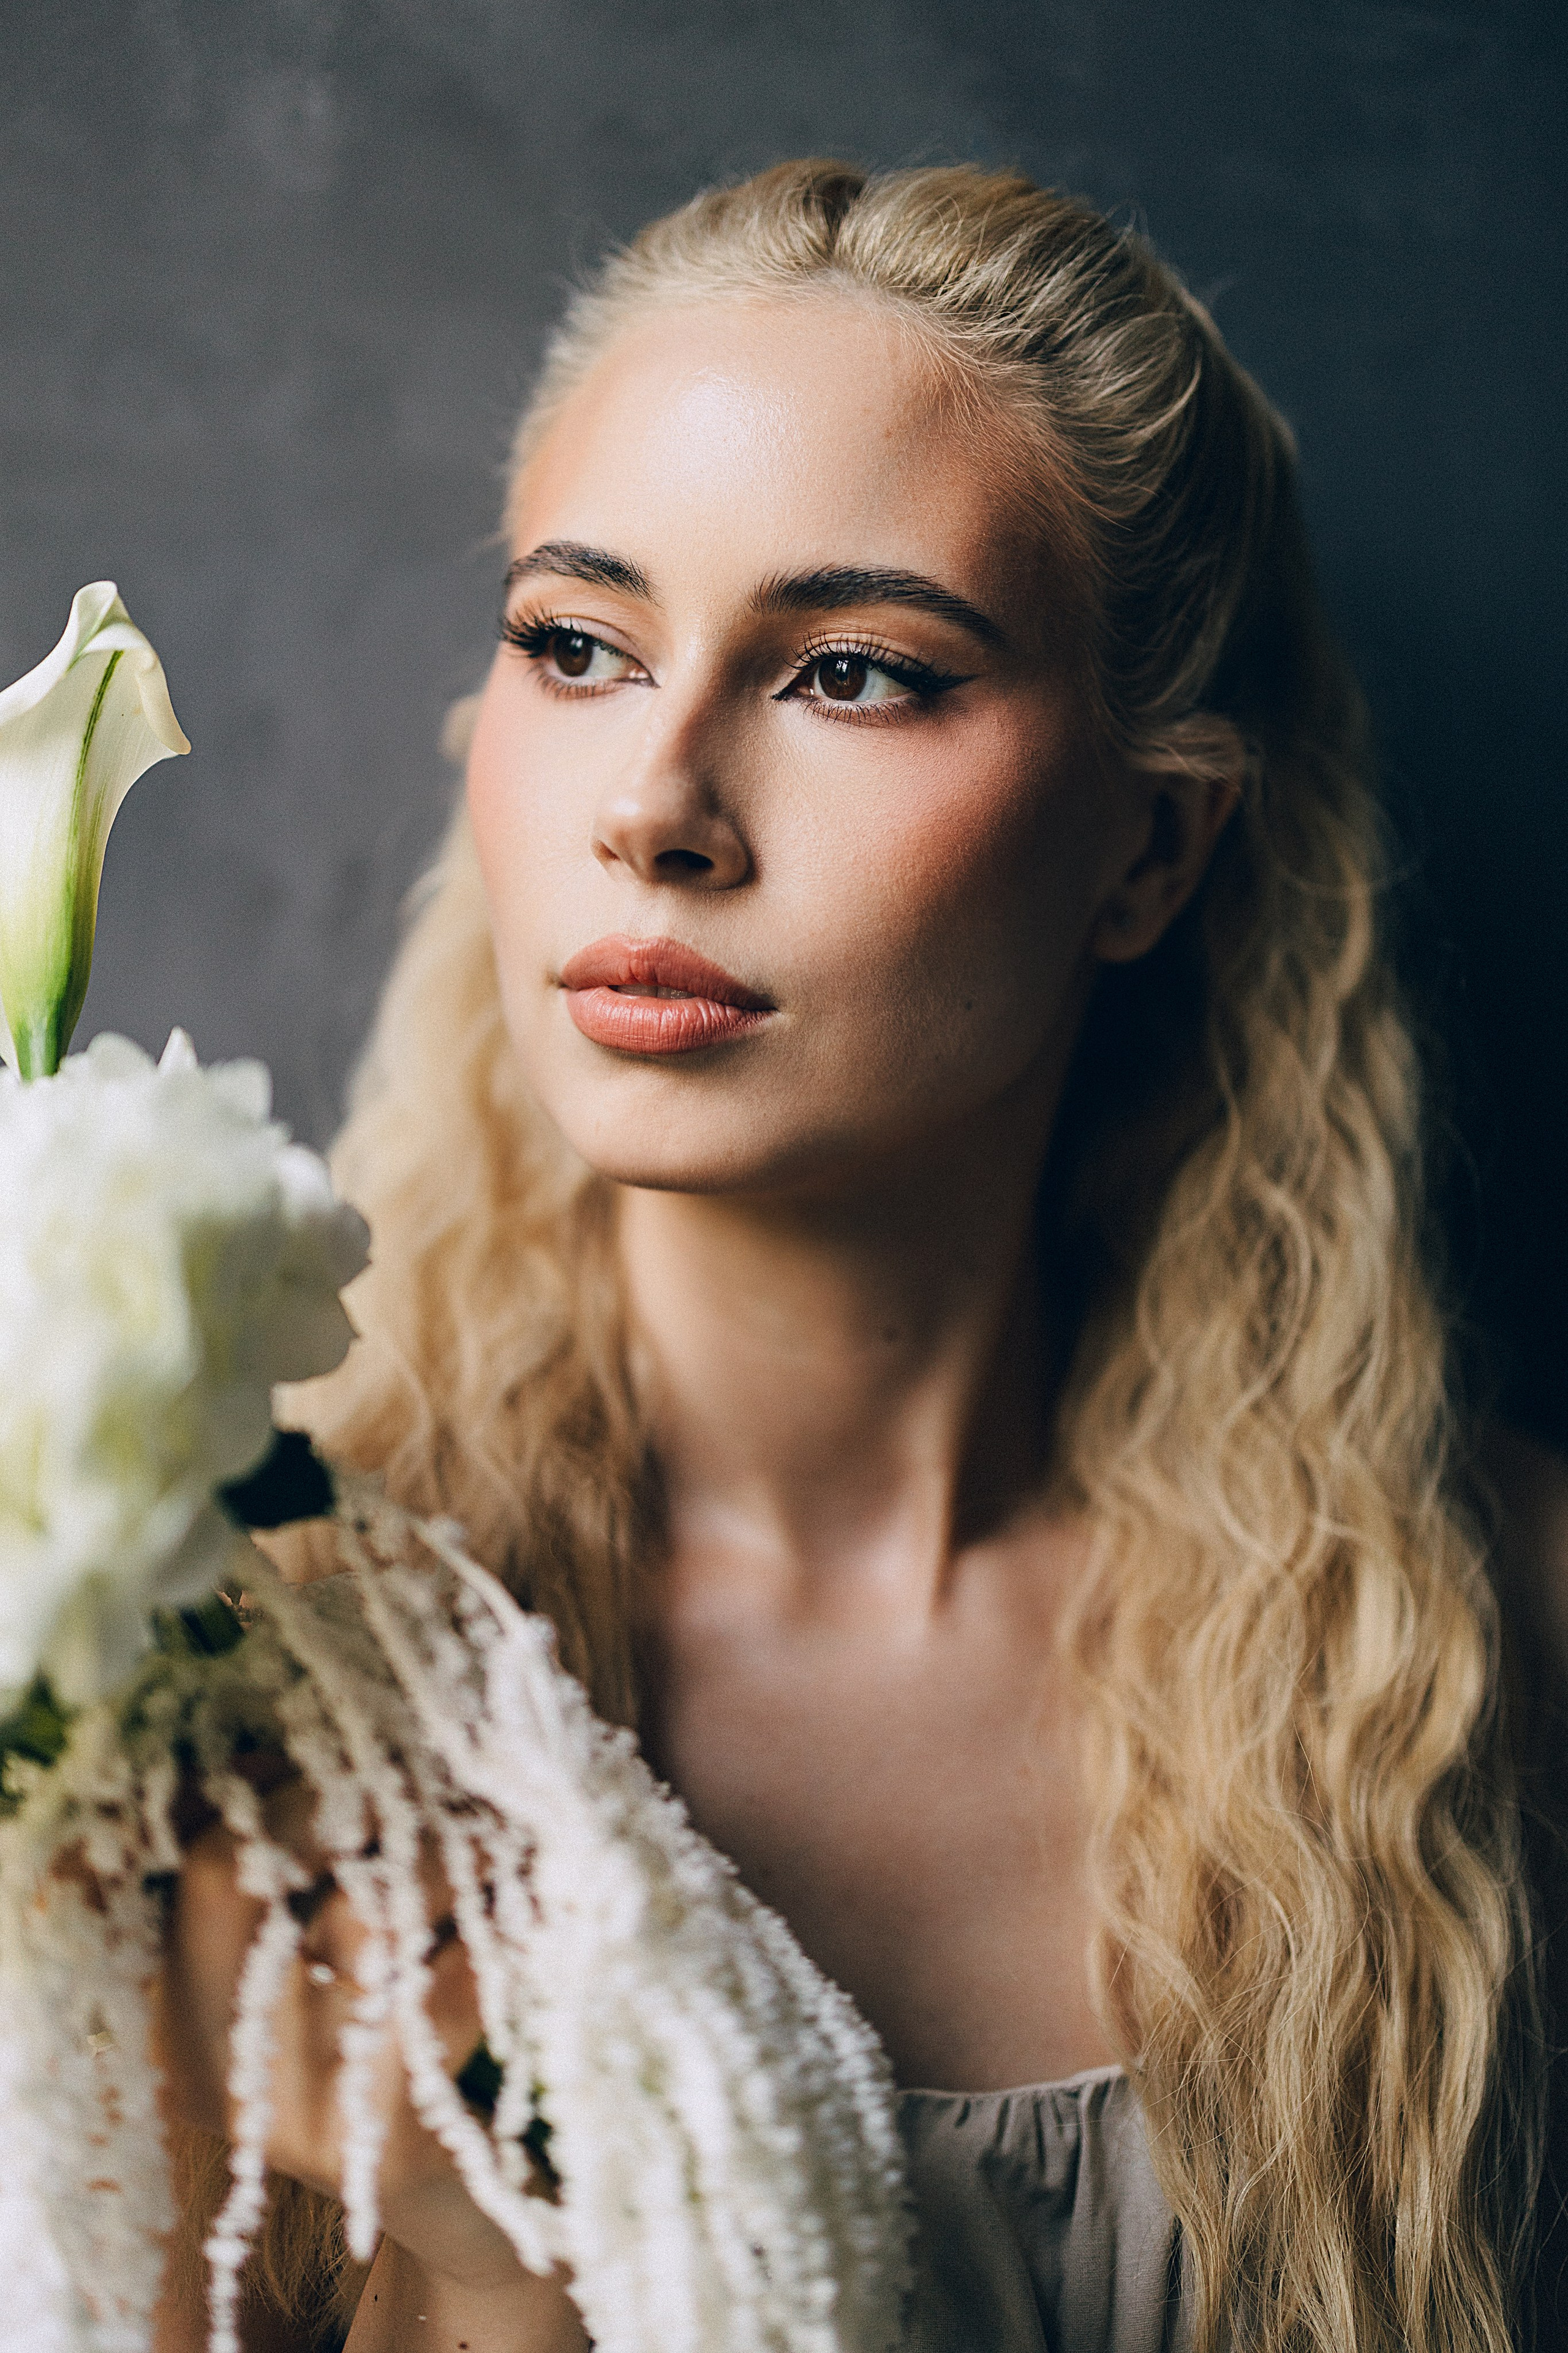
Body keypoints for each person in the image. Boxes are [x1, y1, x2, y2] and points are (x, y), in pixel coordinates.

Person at [151, 159, 1559, 2353]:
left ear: (1147, 841)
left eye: (854, 673)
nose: (660, 801)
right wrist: (497, 2272)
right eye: (577, 644)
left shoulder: (1498, 1651)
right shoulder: (215, 1665)